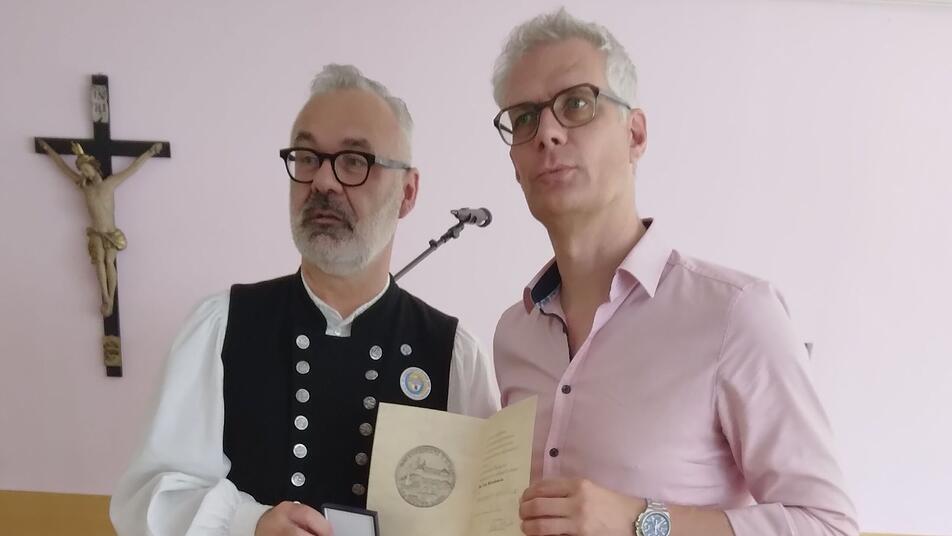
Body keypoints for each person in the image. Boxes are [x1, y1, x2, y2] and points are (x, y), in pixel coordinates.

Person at [490, 9, 857, 536]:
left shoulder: (736, 315)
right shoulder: (513, 335)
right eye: (524, 118)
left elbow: (829, 525)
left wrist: (641, 519)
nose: (546, 132)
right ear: (515, 164)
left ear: (635, 134)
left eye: (576, 104)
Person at [110, 64, 500, 536]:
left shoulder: (454, 354)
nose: (323, 182)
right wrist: (249, 523)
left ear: (408, 192)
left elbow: (488, 522)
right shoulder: (222, 326)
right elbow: (148, 500)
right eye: (308, 157)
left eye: (354, 161)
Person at [38, 139, 163, 316]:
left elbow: (133, 168)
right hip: (96, 232)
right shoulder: (85, 188)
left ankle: (111, 296)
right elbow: (63, 168)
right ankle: (105, 296)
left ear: (94, 166)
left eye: (86, 169)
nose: (84, 173)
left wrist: (150, 152)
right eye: (82, 171)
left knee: (109, 262)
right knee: (99, 262)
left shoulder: (110, 183)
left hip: (111, 233)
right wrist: (48, 149)